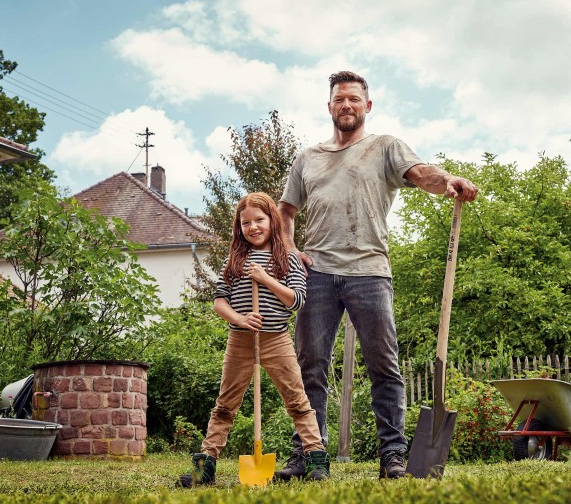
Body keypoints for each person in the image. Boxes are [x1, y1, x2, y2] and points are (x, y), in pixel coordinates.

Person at [277, 71, 479, 480]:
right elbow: (285, 211)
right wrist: (291, 250)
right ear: (329, 106)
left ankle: (392, 457)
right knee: (310, 367)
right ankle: (309, 455)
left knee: (384, 366)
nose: (346, 105)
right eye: (339, 99)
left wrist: (449, 181)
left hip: (369, 272)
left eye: (354, 99)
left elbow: (422, 174)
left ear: (367, 106)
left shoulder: (384, 147)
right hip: (315, 273)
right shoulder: (308, 157)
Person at [176, 192, 330, 487]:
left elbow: (295, 301)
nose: (253, 227)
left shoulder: (289, 260)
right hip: (240, 341)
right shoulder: (234, 260)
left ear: (273, 220)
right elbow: (220, 302)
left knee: (297, 401)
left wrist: (265, 278)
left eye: (259, 220)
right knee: (225, 405)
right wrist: (240, 318)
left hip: (277, 340)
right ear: (239, 227)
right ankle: (204, 466)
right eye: (246, 222)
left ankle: (316, 461)